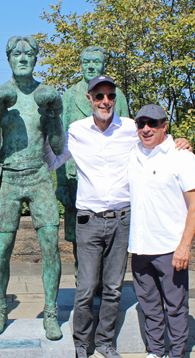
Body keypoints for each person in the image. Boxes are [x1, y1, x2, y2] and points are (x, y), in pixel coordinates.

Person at [53, 75, 191, 358]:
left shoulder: (130, 127)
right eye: (99, 95)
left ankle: (104, 342)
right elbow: (54, 159)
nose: (105, 101)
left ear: (114, 98)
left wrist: (181, 142)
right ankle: (80, 343)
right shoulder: (75, 131)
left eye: (110, 96)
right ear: (89, 99)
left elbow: (157, 142)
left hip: (121, 220)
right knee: (87, 286)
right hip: (89, 221)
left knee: (113, 287)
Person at [0, 35, 65, 339]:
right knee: (1, 249)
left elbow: (57, 146)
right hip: (9, 177)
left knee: (51, 246)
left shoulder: (47, 94)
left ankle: (51, 312)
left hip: (39, 175)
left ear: (36, 58)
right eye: (17, 54)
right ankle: (0, 309)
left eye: (29, 54)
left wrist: (53, 116)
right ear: (9, 58)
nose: (23, 58)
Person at [127, 104, 195, 358]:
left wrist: (184, 246)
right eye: (140, 123)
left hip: (171, 247)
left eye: (152, 123)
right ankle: (157, 353)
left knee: (175, 307)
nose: (145, 128)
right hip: (140, 247)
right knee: (149, 306)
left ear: (164, 126)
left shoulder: (182, 157)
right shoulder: (134, 154)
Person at [57, 46, 129, 280]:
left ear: (103, 65)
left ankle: (104, 285)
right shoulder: (68, 96)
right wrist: (60, 184)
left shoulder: (117, 97)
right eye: (86, 61)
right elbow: (58, 145)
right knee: (80, 237)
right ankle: (84, 283)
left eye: (95, 62)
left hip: (113, 184)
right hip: (76, 180)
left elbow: (133, 138)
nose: (90, 66)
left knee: (113, 241)